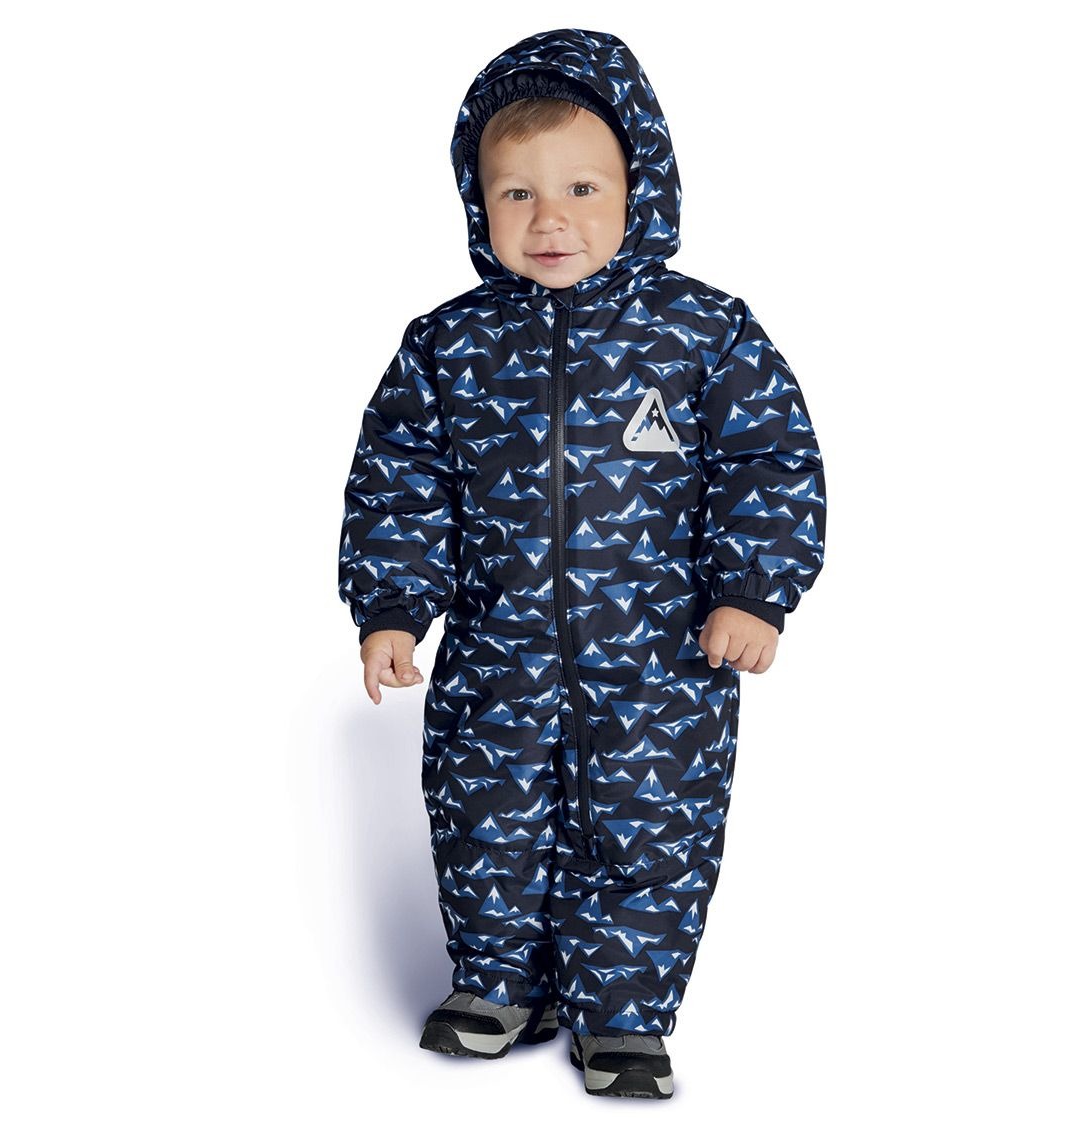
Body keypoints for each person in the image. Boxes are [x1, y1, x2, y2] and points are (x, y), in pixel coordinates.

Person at [338, 27, 827, 1099]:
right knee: (485, 819)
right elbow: (400, 481)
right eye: (516, 193)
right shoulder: (447, 346)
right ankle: (498, 982)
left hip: (661, 660)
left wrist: (754, 591)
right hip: (497, 652)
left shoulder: (703, 334)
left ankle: (624, 1013)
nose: (549, 218)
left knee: (649, 828)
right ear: (477, 204)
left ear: (638, 190)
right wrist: (391, 609)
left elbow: (768, 459)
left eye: (581, 189)